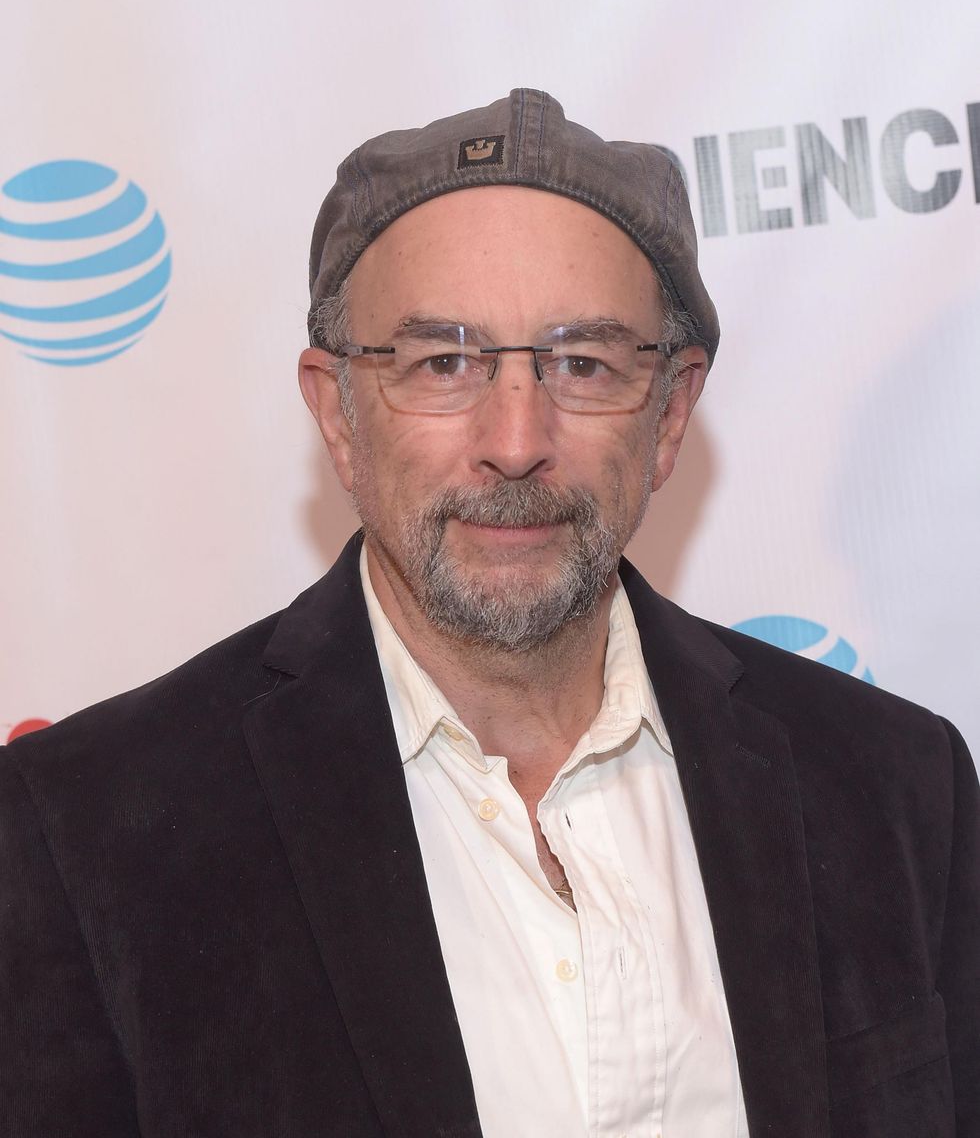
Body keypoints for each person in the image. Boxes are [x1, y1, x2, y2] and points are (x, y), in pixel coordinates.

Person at [1, 89, 976, 1138]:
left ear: (669, 415)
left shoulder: (892, 784)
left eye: (582, 364)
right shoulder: (85, 833)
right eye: (443, 364)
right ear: (338, 414)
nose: (515, 442)